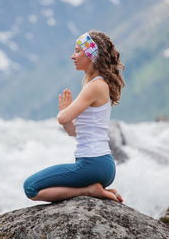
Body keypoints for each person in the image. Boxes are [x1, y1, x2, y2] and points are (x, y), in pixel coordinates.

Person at [23, 30, 125, 203]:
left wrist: (63, 112)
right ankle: (95, 188)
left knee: (31, 187)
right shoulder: (97, 85)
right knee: (34, 187)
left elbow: (62, 119)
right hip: (101, 165)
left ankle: (89, 190)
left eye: (78, 51)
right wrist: (66, 117)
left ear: (92, 56)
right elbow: (73, 131)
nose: (73, 56)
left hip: (92, 164)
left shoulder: (94, 86)